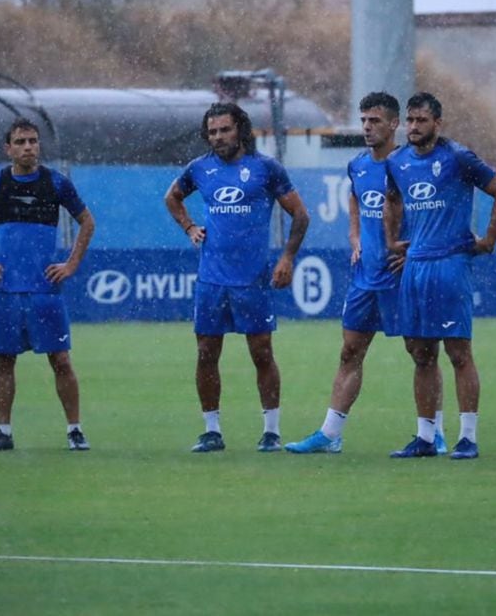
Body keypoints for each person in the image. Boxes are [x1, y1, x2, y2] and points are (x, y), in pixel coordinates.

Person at [285, 92, 447, 454]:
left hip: (402, 275)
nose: (367, 127)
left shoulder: (410, 164)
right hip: (366, 276)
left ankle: (433, 432)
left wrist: (415, 253)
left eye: (375, 121)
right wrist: (354, 235)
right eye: (363, 121)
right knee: (350, 352)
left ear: (394, 125)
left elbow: (431, 211)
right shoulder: (358, 164)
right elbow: (357, 197)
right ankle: (330, 434)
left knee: (422, 353)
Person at [164, 102, 310, 453]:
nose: (218, 137)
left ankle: (271, 431)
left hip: (252, 279)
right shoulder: (199, 169)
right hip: (212, 280)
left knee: (261, 354)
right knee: (205, 354)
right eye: (212, 132)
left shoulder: (265, 169)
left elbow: (301, 215)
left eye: (224, 130)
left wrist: (287, 257)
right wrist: (189, 226)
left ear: (240, 130)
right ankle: (212, 430)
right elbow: (172, 197)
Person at [383, 92, 496, 459]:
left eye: (421, 121)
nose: (413, 127)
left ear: (438, 124)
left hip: (451, 265)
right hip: (416, 267)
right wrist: (393, 241)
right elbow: (392, 200)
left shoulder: (457, 157)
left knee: (458, 352)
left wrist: (489, 240)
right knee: (421, 353)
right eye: (410, 120)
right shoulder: (397, 161)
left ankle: (468, 438)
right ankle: (426, 438)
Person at [0, 117, 96, 452]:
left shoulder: (56, 184)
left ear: (39, 145)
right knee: (4, 362)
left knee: (61, 361)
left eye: (32, 141)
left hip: (44, 292)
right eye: (20, 142)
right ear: (8, 148)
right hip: (4, 292)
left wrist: (72, 264)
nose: (28, 147)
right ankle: (3, 431)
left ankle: (75, 430)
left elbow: (87, 222)